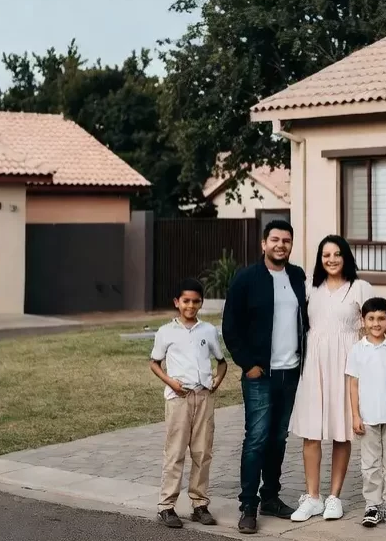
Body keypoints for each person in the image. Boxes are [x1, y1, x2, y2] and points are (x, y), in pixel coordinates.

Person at [288, 235, 386, 523]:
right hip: (315, 363)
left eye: (337, 254)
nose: (331, 259)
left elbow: (377, 316)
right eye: (326, 254)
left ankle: (334, 497)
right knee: (311, 430)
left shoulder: (360, 287)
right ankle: (313, 496)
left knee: (343, 429)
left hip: (346, 363)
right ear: (320, 258)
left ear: (346, 257)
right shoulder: (309, 286)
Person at [222, 219, 309, 535]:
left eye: (286, 240)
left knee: (278, 438)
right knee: (257, 438)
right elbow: (230, 326)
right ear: (263, 243)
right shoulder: (246, 280)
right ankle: (248, 505)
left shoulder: (297, 277)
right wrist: (247, 364)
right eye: (275, 239)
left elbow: (308, 320)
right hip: (260, 374)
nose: (281, 245)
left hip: (290, 373)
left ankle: (270, 496)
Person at [149, 278, 228, 529]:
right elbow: (154, 363)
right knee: (175, 452)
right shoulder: (166, 332)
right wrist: (171, 382)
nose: (190, 306)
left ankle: (199, 504)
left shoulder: (208, 331)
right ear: (177, 302)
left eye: (195, 301)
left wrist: (216, 380)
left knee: (202, 452)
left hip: (203, 397)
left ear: (201, 303)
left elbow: (221, 361)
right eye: (186, 301)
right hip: (179, 399)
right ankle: (166, 506)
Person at [346, 297, 386, 529]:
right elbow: (353, 385)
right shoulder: (357, 350)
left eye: (381, 318)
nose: (376, 323)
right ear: (363, 321)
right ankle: (372, 505)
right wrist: (355, 415)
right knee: (370, 464)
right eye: (371, 318)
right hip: (368, 417)